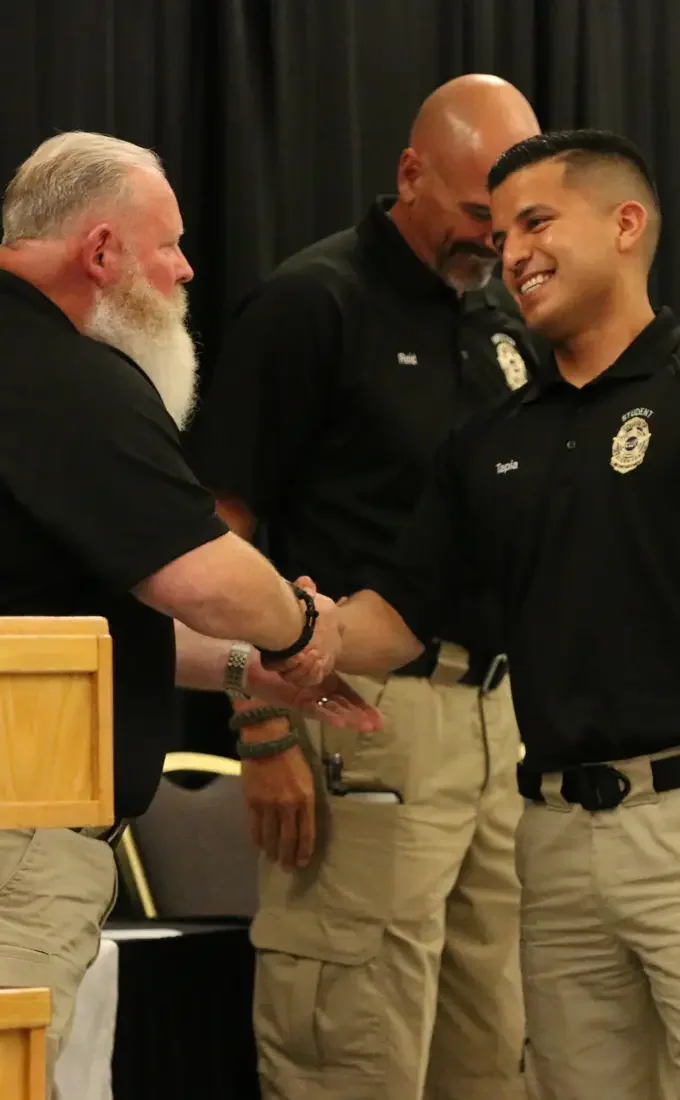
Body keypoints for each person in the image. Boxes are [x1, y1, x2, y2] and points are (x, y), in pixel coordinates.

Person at [334, 128, 680, 1100]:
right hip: (553, 836)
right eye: (495, 239)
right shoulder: (488, 439)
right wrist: (288, 635)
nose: (512, 254)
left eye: (536, 221)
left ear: (625, 224)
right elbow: (395, 619)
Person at [184, 75, 541, 1100]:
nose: (497, 242)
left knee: (490, 1046)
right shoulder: (312, 302)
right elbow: (221, 536)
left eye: (516, 219)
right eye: (479, 214)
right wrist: (257, 730)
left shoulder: (501, 329)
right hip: (354, 716)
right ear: (409, 174)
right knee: (353, 1047)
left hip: (491, 724)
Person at [0, 130, 372, 1093]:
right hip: (17, 833)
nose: (187, 268)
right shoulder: (63, 375)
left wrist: (250, 669)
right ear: (100, 253)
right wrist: (297, 626)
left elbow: (68, 625)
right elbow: (197, 574)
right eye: (167, 245)